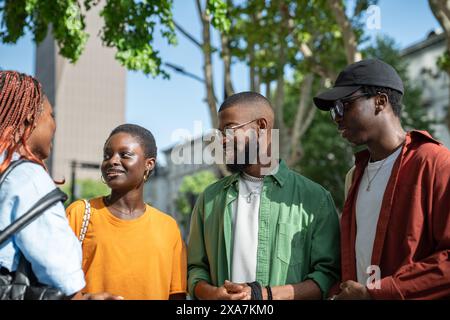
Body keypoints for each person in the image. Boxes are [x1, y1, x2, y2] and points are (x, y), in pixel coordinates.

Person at [313, 58, 450, 299]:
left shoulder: (434, 162)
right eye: (333, 110)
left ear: (380, 101)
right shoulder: (354, 176)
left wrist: (376, 293)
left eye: (343, 105)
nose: (336, 118)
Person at [187, 91, 340, 300]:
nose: (222, 141)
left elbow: (327, 276)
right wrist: (212, 294)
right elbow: (195, 269)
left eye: (229, 130)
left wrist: (263, 296)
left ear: (260, 127)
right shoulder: (210, 199)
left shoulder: (315, 199)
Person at [0, 70, 120, 300]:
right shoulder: (27, 177)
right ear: (29, 120)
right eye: (51, 115)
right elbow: (60, 271)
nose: (55, 125)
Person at [66, 124, 187, 300]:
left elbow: (177, 294)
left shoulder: (168, 228)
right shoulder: (79, 214)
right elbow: (56, 282)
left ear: (149, 164)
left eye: (125, 155)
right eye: (107, 155)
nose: (112, 161)